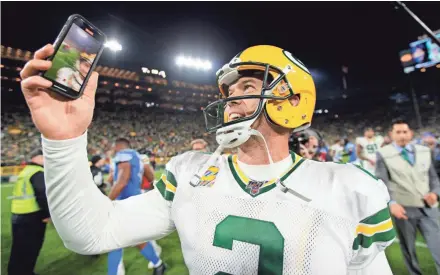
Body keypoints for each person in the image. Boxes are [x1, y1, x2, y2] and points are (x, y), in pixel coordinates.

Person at [21, 44, 394, 274]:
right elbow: (90, 233)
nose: (231, 100)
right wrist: (63, 139)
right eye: (229, 91)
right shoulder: (188, 173)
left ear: (293, 100)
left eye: (247, 87)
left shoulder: (350, 187)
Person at [375, 119, 440, 275]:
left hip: (428, 207)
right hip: (403, 209)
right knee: (409, 250)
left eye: (405, 131)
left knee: (438, 245)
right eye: (398, 132)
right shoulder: (383, 154)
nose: (402, 135)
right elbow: (382, 182)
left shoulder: (425, 151)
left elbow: (433, 178)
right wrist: (391, 203)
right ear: (391, 135)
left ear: (410, 133)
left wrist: (435, 193)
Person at [107, 138, 165, 275]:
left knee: (115, 240)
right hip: (137, 200)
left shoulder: (123, 155)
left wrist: (106, 202)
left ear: (117, 146)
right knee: (133, 238)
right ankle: (158, 263)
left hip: (125, 203)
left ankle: (158, 263)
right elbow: (150, 176)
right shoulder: (139, 157)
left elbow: (121, 181)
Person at [8, 148, 50, 275]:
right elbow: (42, 195)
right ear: (37, 158)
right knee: (30, 248)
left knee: (18, 249)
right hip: (32, 216)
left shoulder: (26, 171)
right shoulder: (38, 172)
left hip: (18, 214)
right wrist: (47, 214)